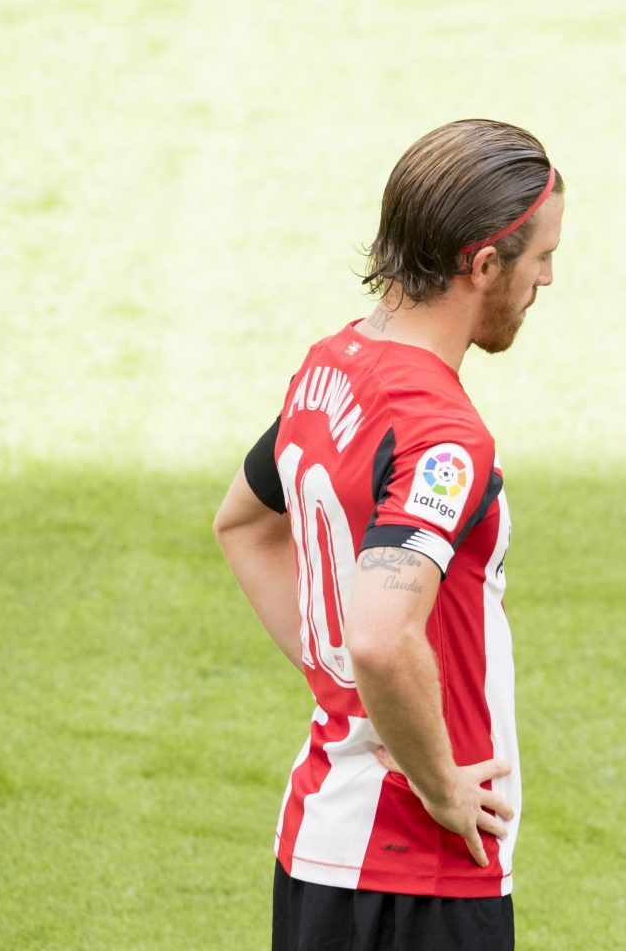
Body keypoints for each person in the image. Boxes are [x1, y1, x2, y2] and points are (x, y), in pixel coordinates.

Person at [212, 119, 564, 951]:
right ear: (483, 266)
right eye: (542, 256)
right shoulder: (442, 435)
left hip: (315, 842)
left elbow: (245, 524)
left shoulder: (330, 365)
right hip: (418, 874)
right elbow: (379, 637)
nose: (548, 278)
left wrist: (334, 678)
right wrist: (440, 782)